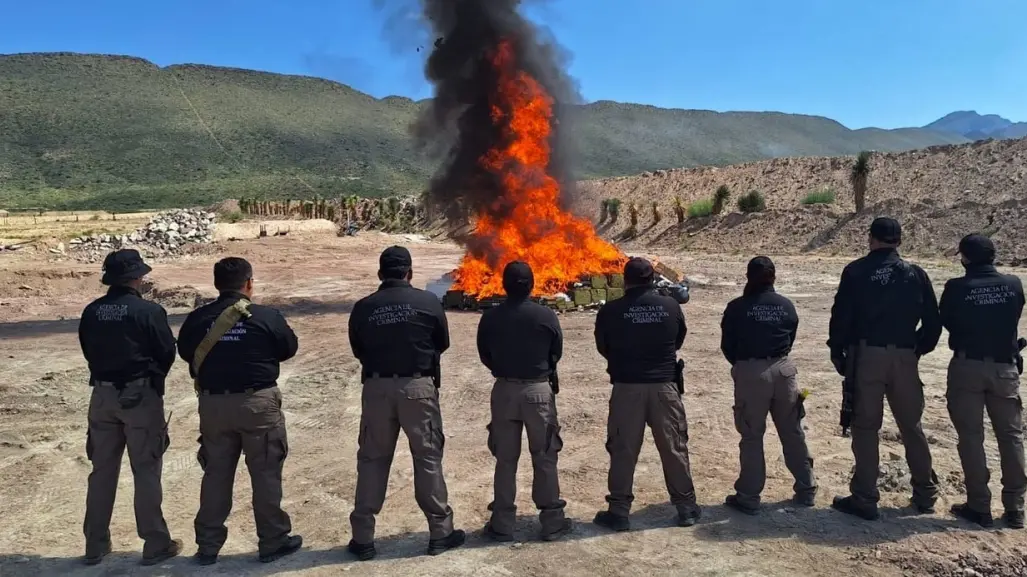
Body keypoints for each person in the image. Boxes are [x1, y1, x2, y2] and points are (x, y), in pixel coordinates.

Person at [177, 257, 302, 565]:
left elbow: (185, 354)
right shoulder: (266, 316)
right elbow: (288, 348)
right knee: (266, 474)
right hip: (258, 404)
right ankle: (272, 541)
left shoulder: (197, 319)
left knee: (216, 474)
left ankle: (207, 546)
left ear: (217, 284)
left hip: (214, 406)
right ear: (249, 284)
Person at [346, 246, 465, 560]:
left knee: (372, 459)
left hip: (376, 389)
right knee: (427, 458)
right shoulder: (427, 301)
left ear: (380, 274)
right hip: (418, 388)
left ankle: (363, 539)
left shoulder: (363, 307)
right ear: (410, 273)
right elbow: (443, 343)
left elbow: (357, 348)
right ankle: (440, 533)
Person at [827, 217, 942, 520]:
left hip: (866, 356)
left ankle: (865, 497)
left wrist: (837, 351)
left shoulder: (855, 271)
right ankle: (925, 494)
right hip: (905, 355)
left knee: (865, 428)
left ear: (871, 239)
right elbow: (933, 322)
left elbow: (841, 315)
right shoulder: (916, 274)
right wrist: (917, 348)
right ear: (899, 241)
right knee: (911, 425)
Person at [78, 249, 181, 566]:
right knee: (146, 470)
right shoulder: (148, 311)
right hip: (139, 396)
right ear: (137, 277)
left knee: (102, 473)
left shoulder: (92, 311)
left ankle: (95, 544)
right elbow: (166, 353)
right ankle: (154, 542)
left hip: (102, 396)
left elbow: (87, 349)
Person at [592, 257, 700, 531]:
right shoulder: (670, 306)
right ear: (652, 279)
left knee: (622, 449)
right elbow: (678, 340)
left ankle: (619, 511)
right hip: (665, 386)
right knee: (674, 448)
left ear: (625, 281)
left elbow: (603, 347)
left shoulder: (610, 311)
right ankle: (686, 508)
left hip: (627, 388)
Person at [477, 261, 572, 542]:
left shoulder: (491, 317)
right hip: (538, 393)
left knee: (505, 459)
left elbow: (485, 355)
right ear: (532, 285)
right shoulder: (546, 316)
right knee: (544, 456)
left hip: (504, 391)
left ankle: (502, 523)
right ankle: (552, 523)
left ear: (504, 286)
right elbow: (557, 352)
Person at [940, 234, 1026, 529]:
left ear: (965, 258)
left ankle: (979, 505)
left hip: (967, 366)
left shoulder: (956, 288)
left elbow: (947, 320)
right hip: (1005, 369)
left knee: (971, 436)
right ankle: (1015, 507)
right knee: (1011, 436)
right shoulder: (1013, 284)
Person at [720, 256, 817, 515]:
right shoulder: (786, 306)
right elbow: (791, 337)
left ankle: (749, 496)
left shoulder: (737, 307)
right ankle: (806, 489)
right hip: (785, 371)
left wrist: (744, 366)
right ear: (773, 277)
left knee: (752, 436)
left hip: (752, 373)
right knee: (793, 431)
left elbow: (727, 345)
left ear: (748, 276)